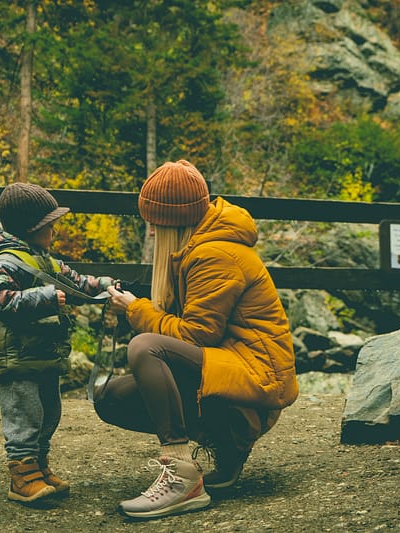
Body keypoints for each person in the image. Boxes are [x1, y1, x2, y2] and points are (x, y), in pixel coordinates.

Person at [94, 160, 299, 519]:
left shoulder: (214, 254)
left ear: (176, 220)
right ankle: (229, 444)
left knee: (145, 347)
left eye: (156, 224)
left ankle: (183, 474)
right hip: (232, 368)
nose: (153, 233)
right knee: (112, 398)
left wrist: (136, 309)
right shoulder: (197, 248)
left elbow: (195, 336)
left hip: (257, 379)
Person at [0, 182, 114, 504]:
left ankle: (40, 467)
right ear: (30, 228)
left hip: (42, 353)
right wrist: (45, 297)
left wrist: (106, 286)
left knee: (49, 410)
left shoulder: (43, 259)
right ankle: (22, 476)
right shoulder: (3, 262)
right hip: (15, 356)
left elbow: (77, 283)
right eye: (49, 227)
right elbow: (0, 300)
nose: (54, 232)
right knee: (24, 412)